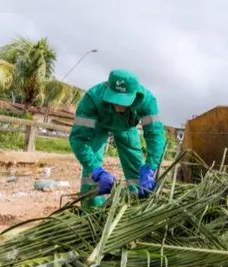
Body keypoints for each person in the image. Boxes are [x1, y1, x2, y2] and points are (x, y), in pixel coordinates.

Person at [69, 69, 166, 206]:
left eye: (124, 101)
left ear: (135, 95)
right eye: (114, 99)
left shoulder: (147, 101)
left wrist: (150, 167)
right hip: (98, 124)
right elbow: (79, 138)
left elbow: (155, 136)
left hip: (126, 127)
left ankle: (137, 203)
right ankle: (92, 211)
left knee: (135, 165)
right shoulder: (92, 98)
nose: (118, 106)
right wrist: (95, 170)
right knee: (91, 164)